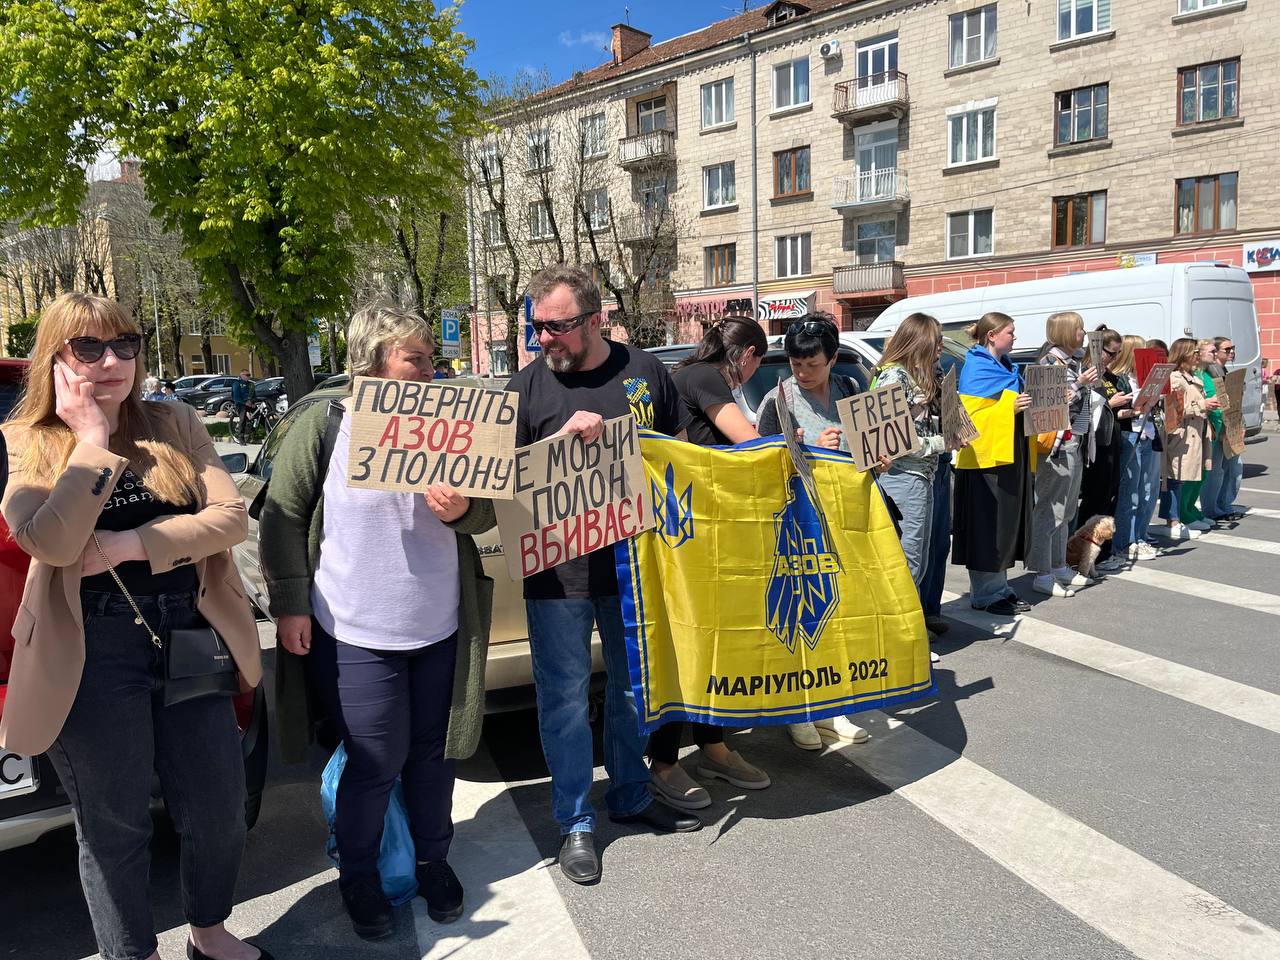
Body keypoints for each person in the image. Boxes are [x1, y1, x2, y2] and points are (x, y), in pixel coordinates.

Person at [0, 293, 269, 960]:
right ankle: (134, 953)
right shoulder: (29, 440)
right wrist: (89, 440)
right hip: (91, 649)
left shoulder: (173, 421)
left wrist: (134, 545)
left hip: (188, 632)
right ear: (56, 358)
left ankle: (207, 932)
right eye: (88, 348)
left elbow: (230, 519)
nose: (112, 360)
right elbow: (51, 543)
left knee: (218, 808)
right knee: (113, 826)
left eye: (125, 344)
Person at [261, 301, 495, 938]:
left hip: (438, 623)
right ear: (372, 361)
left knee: (432, 755)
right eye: (413, 357)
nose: (428, 367)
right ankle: (359, 874)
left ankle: (432, 859)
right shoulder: (325, 423)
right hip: (357, 627)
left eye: (428, 356)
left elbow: (486, 513)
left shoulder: (450, 422)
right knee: (375, 758)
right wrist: (289, 604)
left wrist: (461, 511)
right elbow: (282, 515)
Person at [504, 264, 700, 887]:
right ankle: (575, 823)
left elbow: (681, 456)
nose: (544, 340)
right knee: (563, 698)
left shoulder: (644, 373)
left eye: (556, 327)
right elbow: (499, 483)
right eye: (536, 328)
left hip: (634, 568)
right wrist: (560, 444)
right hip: (557, 577)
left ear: (595, 320)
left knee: (629, 689)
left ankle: (632, 793)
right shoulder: (525, 388)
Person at [650, 317, 772, 810]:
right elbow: (746, 442)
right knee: (687, 645)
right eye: (758, 361)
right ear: (745, 355)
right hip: (694, 532)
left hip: (706, 529)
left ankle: (712, 744)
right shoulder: (705, 377)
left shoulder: (690, 376)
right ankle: (664, 759)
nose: (755, 370)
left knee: (714, 644)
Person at [757, 314, 877, 749]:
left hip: (847, 517)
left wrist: (875, 458)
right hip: (801, 525)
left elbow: (873, 447)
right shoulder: (779, 401)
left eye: (812, 364)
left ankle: (834, 706)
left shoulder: (850, 390)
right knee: (803, 612)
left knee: (841, 615)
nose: (802, 372)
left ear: (832, 360)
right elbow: (763, 464)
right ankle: (799, 709)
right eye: (795, 363)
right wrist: (808, 450)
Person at [873, 313, 960, 638]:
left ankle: (907, 634)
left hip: (917, 476)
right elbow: (893, 440)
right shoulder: (893, 378)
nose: (940, 347)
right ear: (921, 341)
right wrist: (942, 441)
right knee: (907, 561)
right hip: (903, 476)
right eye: (936, 340)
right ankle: (899, 638)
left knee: (918, 558)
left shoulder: (910, 375)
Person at [951, 311, 1033, 616]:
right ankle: (986, 593)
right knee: (988, 526)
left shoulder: (1007, 366)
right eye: (1010, 332)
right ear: (992, 335)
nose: (1015, 337)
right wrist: (1008, 409)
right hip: (983, 460)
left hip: (1007, 453)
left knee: (1004, 525)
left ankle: (1000, 586)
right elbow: (969, 419)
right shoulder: (977, 368)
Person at [1027, 311, 1097, 597]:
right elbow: (1050, 405)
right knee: (1050, 509)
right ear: (1066, 332)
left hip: (1074, 439)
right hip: (1055, 444)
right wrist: (1080, 384)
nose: (1083, 333)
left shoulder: (1072, 361)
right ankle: (1042, 572)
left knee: (1066, 510)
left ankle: (1057, 565)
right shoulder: (1048, 363)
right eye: (1079, 329)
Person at [1077, 328, 1129, 572]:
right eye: (1111, 353)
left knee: (1110, 499)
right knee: (1094, 501)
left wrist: (1130, 408)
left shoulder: (1109, 375)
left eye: (1118, 354)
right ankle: (1086, 555)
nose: (1114, 358)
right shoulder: (1087, 372)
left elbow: (1113, 414)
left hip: (1113, 440)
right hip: (1095, 445)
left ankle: (1103, 552)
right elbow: (1087, 409)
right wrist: (1111, 403)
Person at [1111, 335, 1161, 561]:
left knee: (1146, 491)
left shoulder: (1140, 376)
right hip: (1130, 435)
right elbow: (1115, 413)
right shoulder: (1120, 379)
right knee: (1129, 493)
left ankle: (1139, 536)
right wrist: (1136, 410)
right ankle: (1125, 542)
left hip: (1147, 433)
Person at [1163, 337, 1218, 540]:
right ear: (1184, 353)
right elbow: (1174, 410)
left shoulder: (1194, 376)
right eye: (1194, 352)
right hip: (1183, 434)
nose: (1197, 356)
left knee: (1190, 476)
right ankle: (1174, 520)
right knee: (1176, 477)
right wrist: (1203, 405)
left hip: (1197, 431)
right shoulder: (1176, 377)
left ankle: (1182, 516)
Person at [1200, 336, 1245, 522]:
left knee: (1233, 469)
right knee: (1216, 471)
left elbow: (1232, 402)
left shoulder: (1222, 371)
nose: (1231, 352)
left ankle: (1224, 505)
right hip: (1217, 428)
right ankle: (1213, 508)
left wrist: (1239, 424)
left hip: (1229, 426)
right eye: (1227, 349)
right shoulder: (1207, 374)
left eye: (1232, 348)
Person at [230, 369, 255, 442]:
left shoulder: (251, 384)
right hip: (240, 404)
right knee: (243, 418)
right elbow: (236, 397)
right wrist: (245, 403)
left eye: (249, 375)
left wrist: (253, 403)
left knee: (260, 414)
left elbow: (254, 395)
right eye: (247, 375)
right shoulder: (236, 384)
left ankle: (269, 431)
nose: (248, 377)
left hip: (250, 404)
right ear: (241, 375)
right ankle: (241, 438)